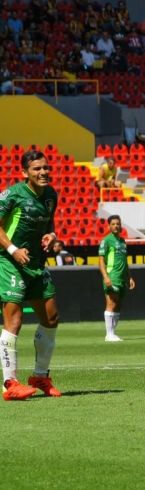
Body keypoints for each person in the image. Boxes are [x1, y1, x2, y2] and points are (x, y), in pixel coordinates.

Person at [0, 150, 62, 400]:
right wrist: (13, 250)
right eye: (37, 169)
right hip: (9, 261)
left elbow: (49, 222)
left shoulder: (50, 195)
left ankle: (39, 376)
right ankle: (9, 384)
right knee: (14, 322)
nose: (43, 172)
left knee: (52, 316)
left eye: (45, 168)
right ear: (25, 172)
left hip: (35, 262)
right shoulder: (13, 194)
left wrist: (52, 235)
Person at [98, 215, 135, 342]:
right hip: (112, 276)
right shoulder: (106, 241)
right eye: (113, 224)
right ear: (108, 226)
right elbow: (101, 260)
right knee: (111, 303)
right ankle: (109, 334)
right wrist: (105, 277)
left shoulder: (123, 241)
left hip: (122, 278)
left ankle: (113, 333)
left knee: (118, 305)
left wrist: (130, 277)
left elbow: (125, 261)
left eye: (117, 224)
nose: (115, 226)